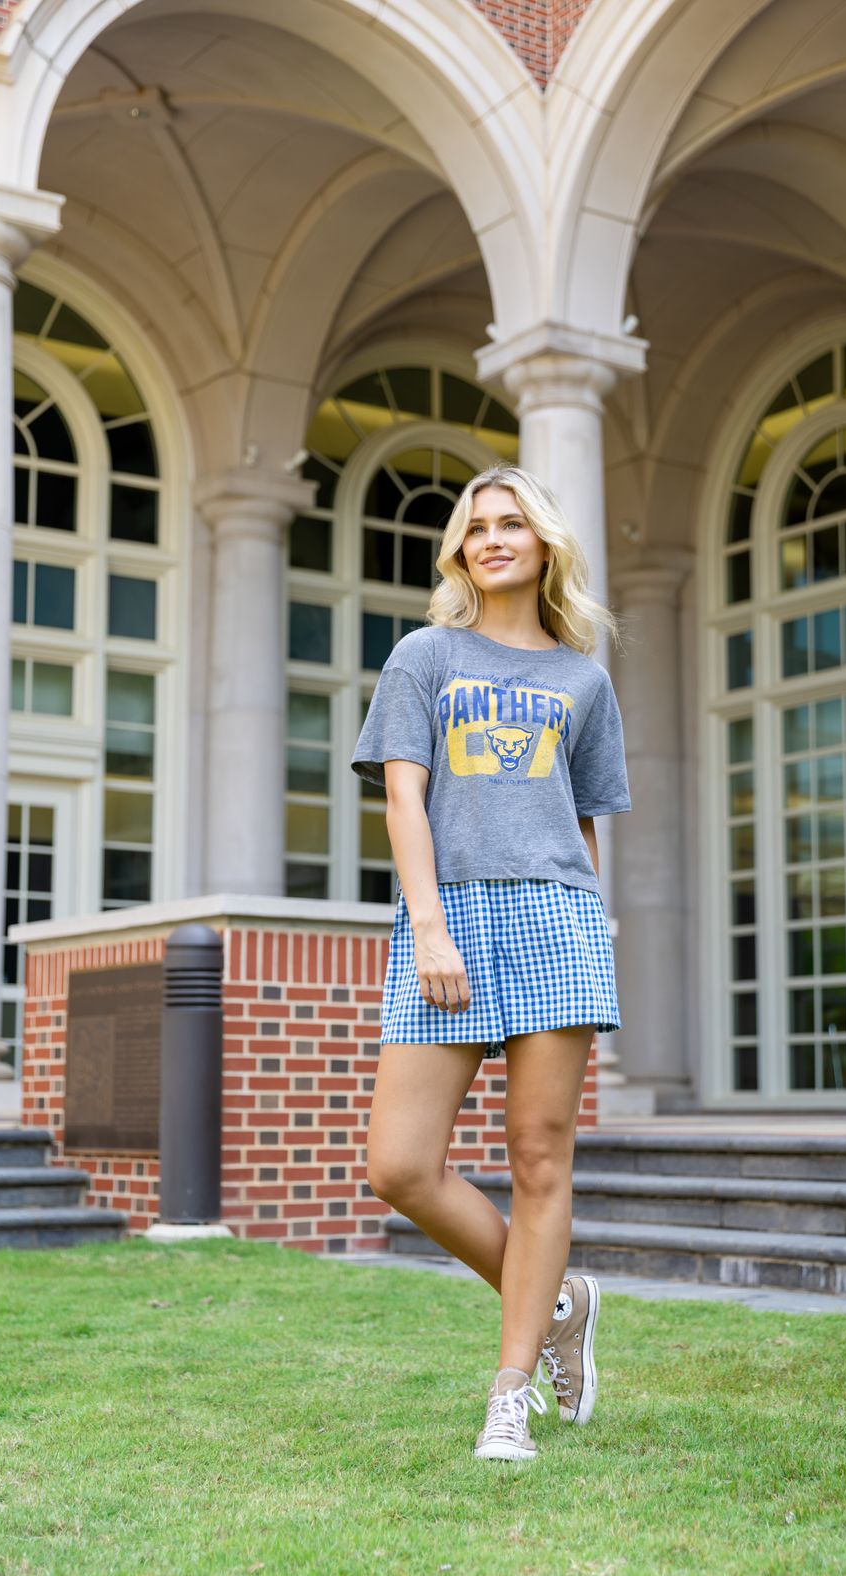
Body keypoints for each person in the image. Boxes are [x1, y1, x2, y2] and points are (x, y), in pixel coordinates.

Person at [351, 463, 630, 1463]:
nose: (492, 538)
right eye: (476, 527)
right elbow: (401, 797)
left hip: (555, 918)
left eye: (511, 523)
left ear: (543, 541)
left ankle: (508, 1394)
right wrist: (427, 924)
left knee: (538, 1158)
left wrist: (590, 931)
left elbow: (581, 826)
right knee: (398, 1162)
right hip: (452, 914)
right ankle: (556, 1300)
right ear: (458, 549)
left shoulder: (581, 679)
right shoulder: (423, 656)